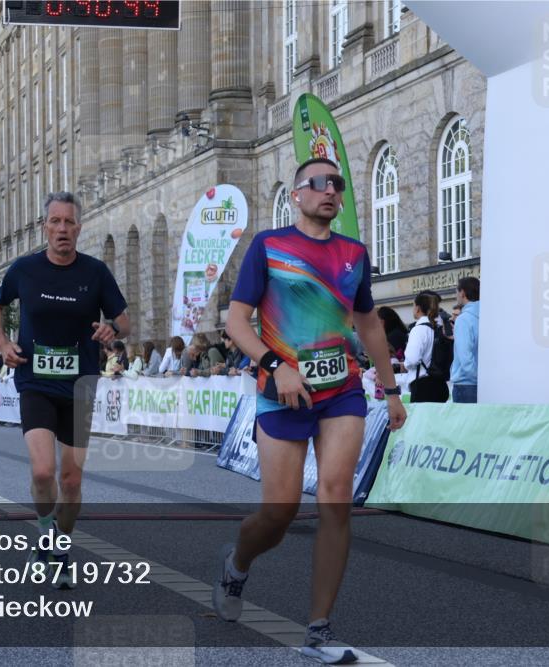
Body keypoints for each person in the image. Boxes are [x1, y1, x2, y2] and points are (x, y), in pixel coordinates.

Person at [214, 157, 406, 663]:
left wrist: (389, 390)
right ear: (296, 195)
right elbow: (235, 322)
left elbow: (368, 326)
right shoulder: (269, 246)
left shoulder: (353, 253)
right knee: (279, 513)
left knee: (336, 498)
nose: (329, 190)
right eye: (318, 183)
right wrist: (275, 364)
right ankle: (237, 564)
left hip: (341, 389)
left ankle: (318, 628)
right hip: (281, 390)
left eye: (336, 184)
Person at [0, 190, 130, 590]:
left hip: (81, 383)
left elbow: (124, 319)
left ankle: (61, 548)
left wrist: (112, 329)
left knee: (70, 481)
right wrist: (1, 342)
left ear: (79, 228)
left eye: (70, 222)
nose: (63, 229)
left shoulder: (95, 272)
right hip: (35, 380)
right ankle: (46, 532)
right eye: (56, 222)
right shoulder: (25, 269)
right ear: (45, 227)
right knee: (43, 470)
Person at [404, 292, 450, 403]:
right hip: (441, 384)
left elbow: (412, 359)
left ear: (418, 308)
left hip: (423, 387)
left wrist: (405, 364)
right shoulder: (439, 327)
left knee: (421, 420)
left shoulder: (418, 329)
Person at [451, 277, 480, 403]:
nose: (456, 295)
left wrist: (476, 377)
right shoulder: (487, 315)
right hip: (484, 383)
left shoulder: (463, 319)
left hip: (466, 384)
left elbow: (465, 356)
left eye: (457, 291)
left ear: (462, 292)